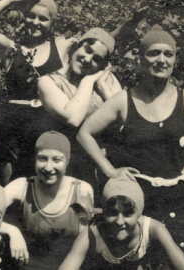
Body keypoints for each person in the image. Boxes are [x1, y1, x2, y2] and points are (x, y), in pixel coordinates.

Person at [77, 29, 184, 256]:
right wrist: (110, 170)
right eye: (154, 53)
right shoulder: (123, 101)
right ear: (140, 58)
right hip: (138, 207)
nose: (161, 60)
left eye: (168, 54)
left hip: (182, 203)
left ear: (175, 59)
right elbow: (84, 133)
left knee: (183, 262)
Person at [0, 0, 76, 183]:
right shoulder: (11, 47)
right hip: (12, 132)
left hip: (47, 128)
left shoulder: (61, 47)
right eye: (31, 15)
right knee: (9, 187)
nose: (35, 22)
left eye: (43, 18)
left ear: (52, 23)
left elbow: (100, 45)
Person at [37, 27, 123, 196]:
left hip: (105, 166)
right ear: (76, 47)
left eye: (96, 59)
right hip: (66, 168)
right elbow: (73, 118)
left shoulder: (107, 81)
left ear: (103, 66)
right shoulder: (49, 82)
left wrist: (104, 88)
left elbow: (125, 122)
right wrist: (89, 80)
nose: (87, 59)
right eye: (87, 50)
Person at [59, 178, 184, 270]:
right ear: (104, 212)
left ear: (139, 213)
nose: (119, 221)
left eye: (128, 214)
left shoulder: (154, 229)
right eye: (112, 213)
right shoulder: (90, 236)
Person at [4, 131, 94, 269]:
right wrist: (12, 232)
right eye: (42, 159)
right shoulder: (22, 186)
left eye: (57, 160)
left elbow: (84, 242)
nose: (48, 167)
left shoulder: (81, 191)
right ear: (35, 159)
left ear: (67, 161)